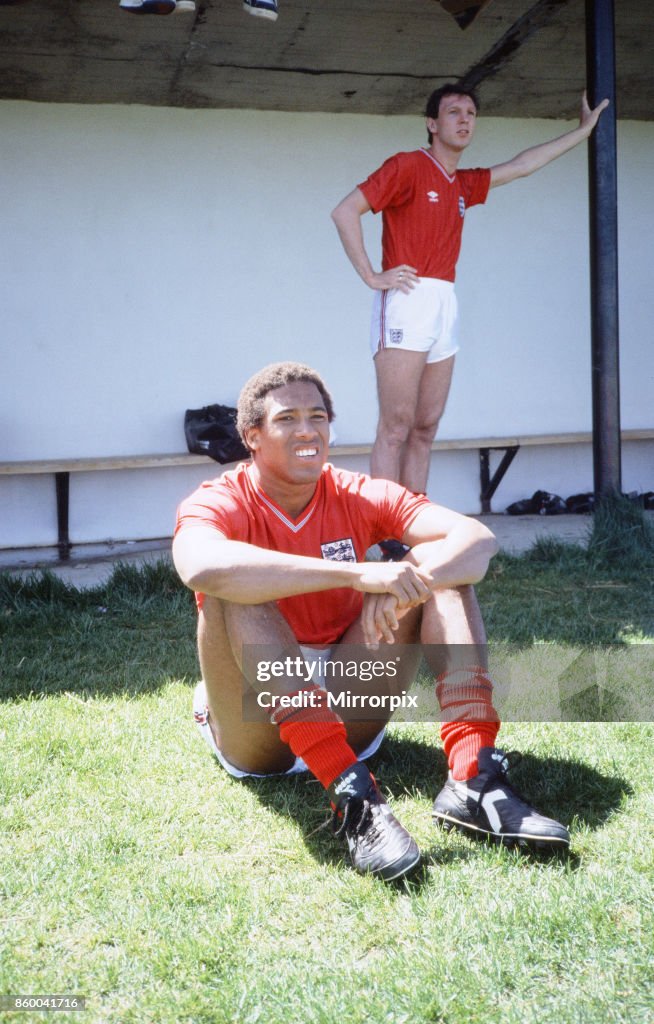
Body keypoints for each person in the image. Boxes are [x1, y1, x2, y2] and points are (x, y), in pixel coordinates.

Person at [172, 360, 570, 882]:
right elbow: (200, 565)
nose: (308, 429)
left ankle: (473, 777)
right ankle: (353, 798)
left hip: (348, 692)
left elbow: (477, 542)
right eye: (287, 418)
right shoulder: (220, 498)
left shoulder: (357, 491)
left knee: (439, 571)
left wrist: (409, 578)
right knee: (233, 590)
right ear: (252, 437)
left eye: (318, 416)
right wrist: (358, 574)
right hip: (256, 720)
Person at [331, 86, 609, 501]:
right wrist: (372, 274)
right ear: (432, 124)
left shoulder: (462, 183)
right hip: (407, 299)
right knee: (396, 426)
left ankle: (415, 528)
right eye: (454, 112)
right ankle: (385, 532)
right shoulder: (408, 165)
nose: (465, 120)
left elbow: (522, 165)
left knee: (425, 427)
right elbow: (344, 210)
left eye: (471, 113)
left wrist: (582, 133)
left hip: (445, 301)